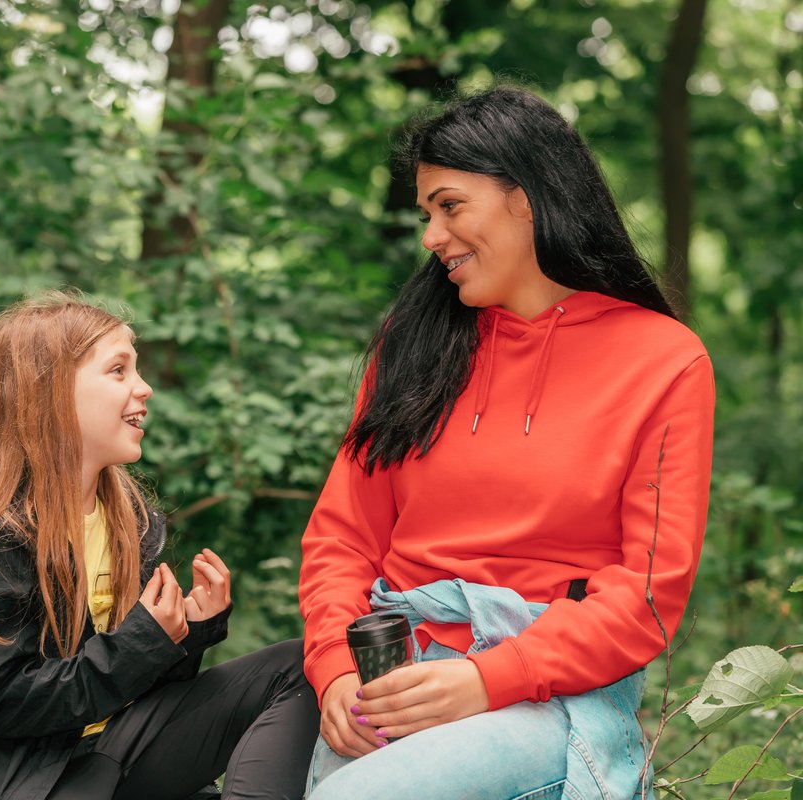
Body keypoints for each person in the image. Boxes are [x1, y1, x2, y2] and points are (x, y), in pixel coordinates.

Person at [298, 87, 715, 799]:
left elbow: (645, 596)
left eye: (450, 206)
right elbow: (342, 538)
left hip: (552, 692)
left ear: (526, 198)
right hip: (393, 670)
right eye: (427, 213)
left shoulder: (664, 360)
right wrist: (336, 665)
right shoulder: (414, 347)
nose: (431, 235)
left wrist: (487, 679)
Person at [0, 293, 318, 800]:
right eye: (118, 371)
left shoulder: (129, 521)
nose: (145, 388)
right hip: (12, 776)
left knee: (301, 665)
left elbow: (132, 686)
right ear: (48, 393)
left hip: (107, 755)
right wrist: (143, 642)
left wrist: (185, 635)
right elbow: (6, 704)